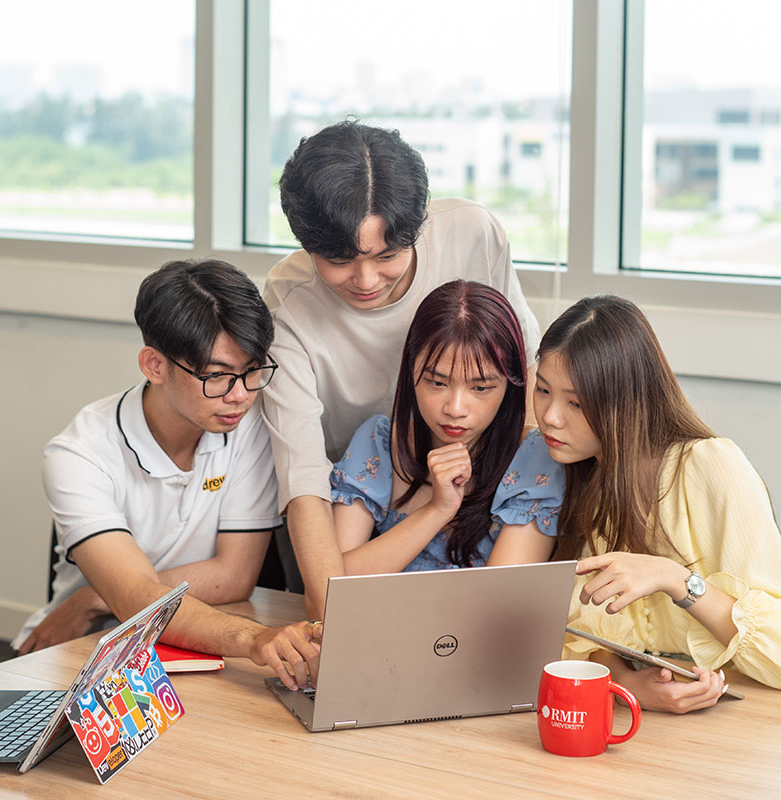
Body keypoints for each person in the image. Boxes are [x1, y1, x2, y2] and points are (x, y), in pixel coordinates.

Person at [262, 120, 541, 615]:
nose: (366, 280)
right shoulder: (288, 303)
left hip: (479, 492)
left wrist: (509, 485)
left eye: (388, 255)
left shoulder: (472, 233)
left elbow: (528, 371)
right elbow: (303, 477)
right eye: (338, 260)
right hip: (351, 501)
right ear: (306, 243)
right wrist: (328, 600)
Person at [13, 259, 319, 691]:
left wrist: (100, 597)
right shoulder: (79, 453)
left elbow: (234, 577)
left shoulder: (247, 426)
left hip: (179, 643)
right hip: (81, 649)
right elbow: (138, 598)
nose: (240, 395)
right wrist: (250, 637)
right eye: (215, 376)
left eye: (252, 372)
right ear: (154, 365)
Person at [533, 294, 781, 713]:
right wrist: (627, 683)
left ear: (627, 400)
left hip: (745, 721)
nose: (551, 416)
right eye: (542, 390)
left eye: (575, 402)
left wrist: (674, 579)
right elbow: (576, 631)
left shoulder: (712, 465)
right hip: (644, 725)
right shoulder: (581, 474)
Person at [330, 281, 560, 573]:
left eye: (481, 388)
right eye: (437, 383)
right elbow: (333, 586)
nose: (455, 409)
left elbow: (500, 603)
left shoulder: (534, 458)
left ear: (510, 386)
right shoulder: (377, 443)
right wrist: (437, 510)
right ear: (411, 369)